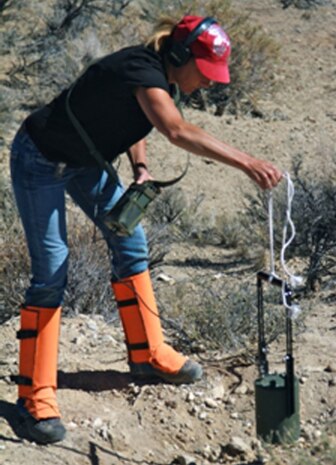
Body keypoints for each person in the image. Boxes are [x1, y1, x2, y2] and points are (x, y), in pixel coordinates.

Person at [10, 15, 283, 445]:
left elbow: (142, 120)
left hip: (85, 162)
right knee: (53, 271)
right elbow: (175, 129)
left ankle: (148, 355)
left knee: (131, 240)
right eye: (207, 74)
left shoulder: (160, 78)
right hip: (39, 158)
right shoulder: (140, 68)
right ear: (179, 55)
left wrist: (139, 166)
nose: (210, 84)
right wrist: (248, 163)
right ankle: (34, 396)